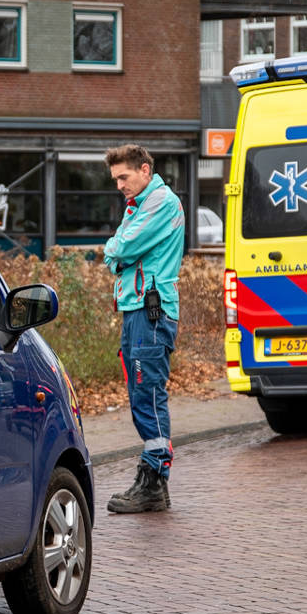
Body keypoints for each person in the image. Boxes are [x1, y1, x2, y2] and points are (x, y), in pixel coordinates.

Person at [101, 143, 186, 515]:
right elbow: (116, 255)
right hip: (137, 309)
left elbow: (121, 249)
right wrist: (117, 250)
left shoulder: (159, 202)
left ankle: (154, 481)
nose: (119, 185)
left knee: (148, 393)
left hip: (150, 314)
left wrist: (117, 249)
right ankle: (151, 478)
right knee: (140, 394)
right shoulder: (137, 206)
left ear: (145, 170)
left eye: (124, 176)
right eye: (116, 179)